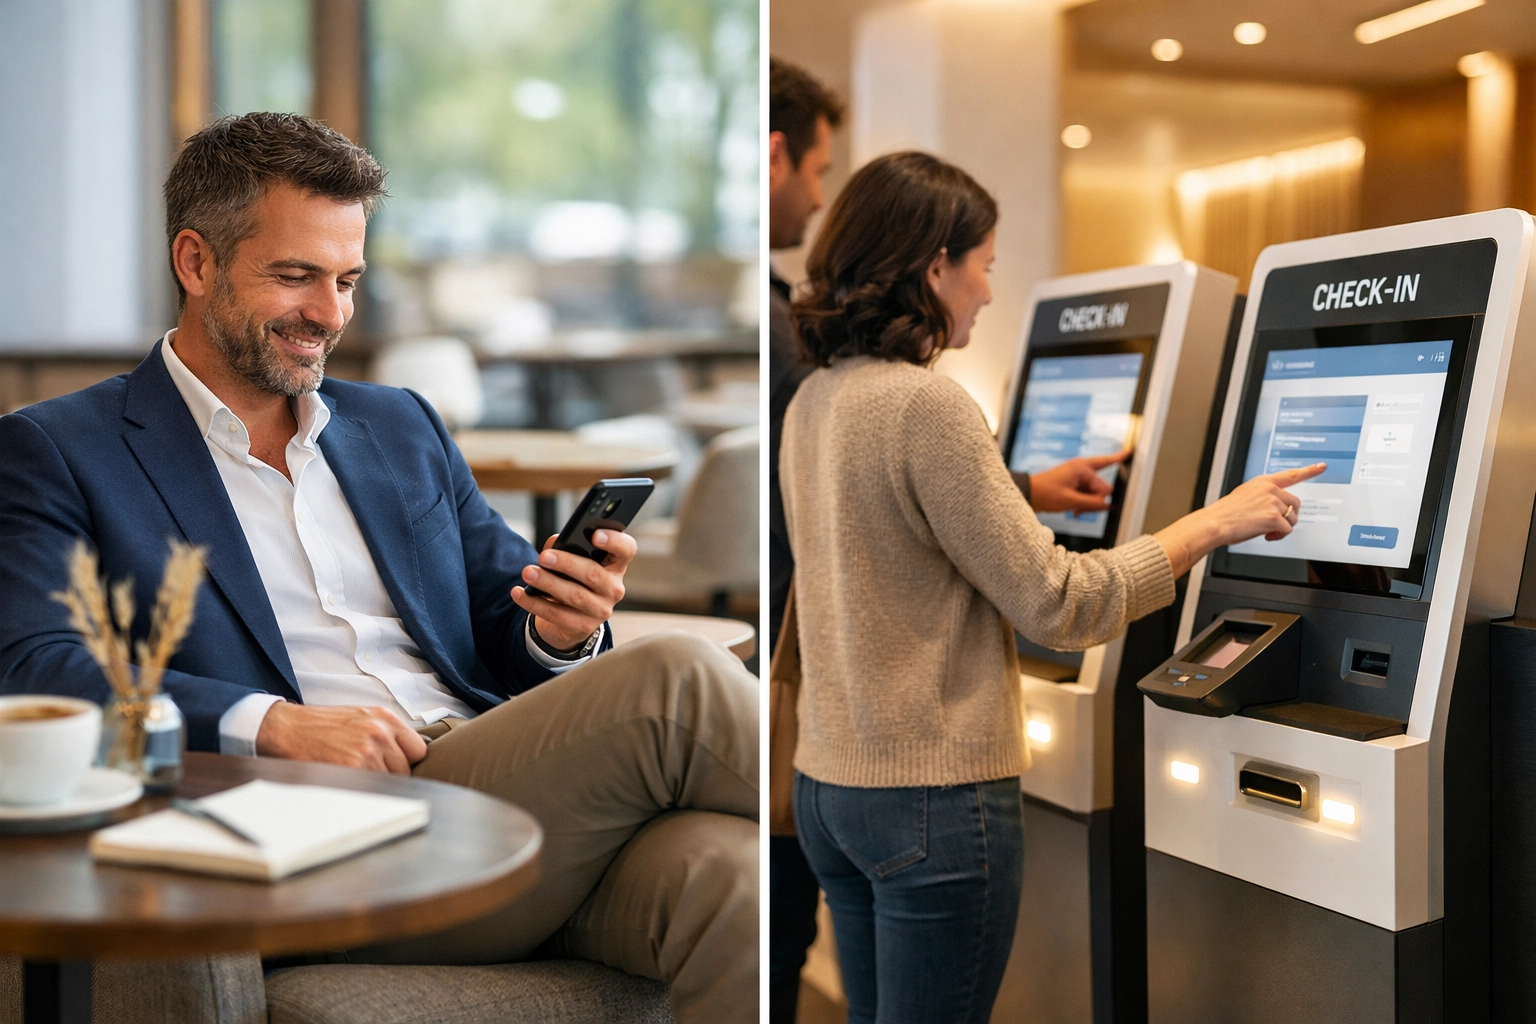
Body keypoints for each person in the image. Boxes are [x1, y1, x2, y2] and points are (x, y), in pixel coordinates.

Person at [0, 112, 756, 1024]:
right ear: (196, 264)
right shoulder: (57, 448)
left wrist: (558, 635)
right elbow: (31, 669)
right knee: (677, 674)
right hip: (317, 831)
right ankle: (854, 802)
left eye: (348, 279)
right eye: (295, 276)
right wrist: (270, 724)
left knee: (736, 877)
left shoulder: (399, 423)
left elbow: (498, 620)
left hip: (488, 785)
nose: (330, 313)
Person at [780, 150, 1324, 1024]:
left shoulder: (817, 400)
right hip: (931, 795)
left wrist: (1021, 488)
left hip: (831, 788)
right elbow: (1061, 603)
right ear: (935, 268)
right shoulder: (930, 405)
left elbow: (879, 531)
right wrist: (1212, 523)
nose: (990, 292)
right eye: (985, 267)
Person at [766, 55, 841, 1024]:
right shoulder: (779, 329)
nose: (818, 198)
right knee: (782, 938)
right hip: (798, 692)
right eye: (820, 170)